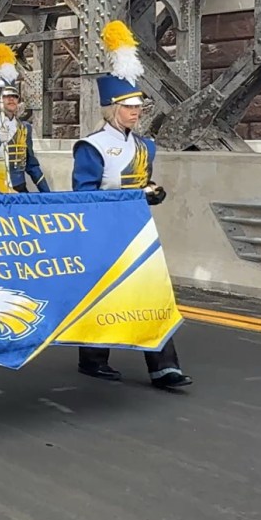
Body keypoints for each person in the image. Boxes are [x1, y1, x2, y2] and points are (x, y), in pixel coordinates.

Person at [72, 20, 192, 391]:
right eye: (129, 106)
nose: (137, 111)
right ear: (113, 109)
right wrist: (135, 196)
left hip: (138, 229)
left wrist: (152, 192)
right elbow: (84, 195)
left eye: (139, 105)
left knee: (153, 294)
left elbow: (142, 184)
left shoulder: (145, 146)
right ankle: (92, 358)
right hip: (103, 231)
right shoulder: (91, 146)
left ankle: (164, 367)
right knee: (103, 294)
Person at [0, 43, 50, 194]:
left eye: (14, 96)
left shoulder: (24, 128)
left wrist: (46, 193)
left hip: (20, 192)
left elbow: (31, 165)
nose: (11, 99)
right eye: (6, 96)